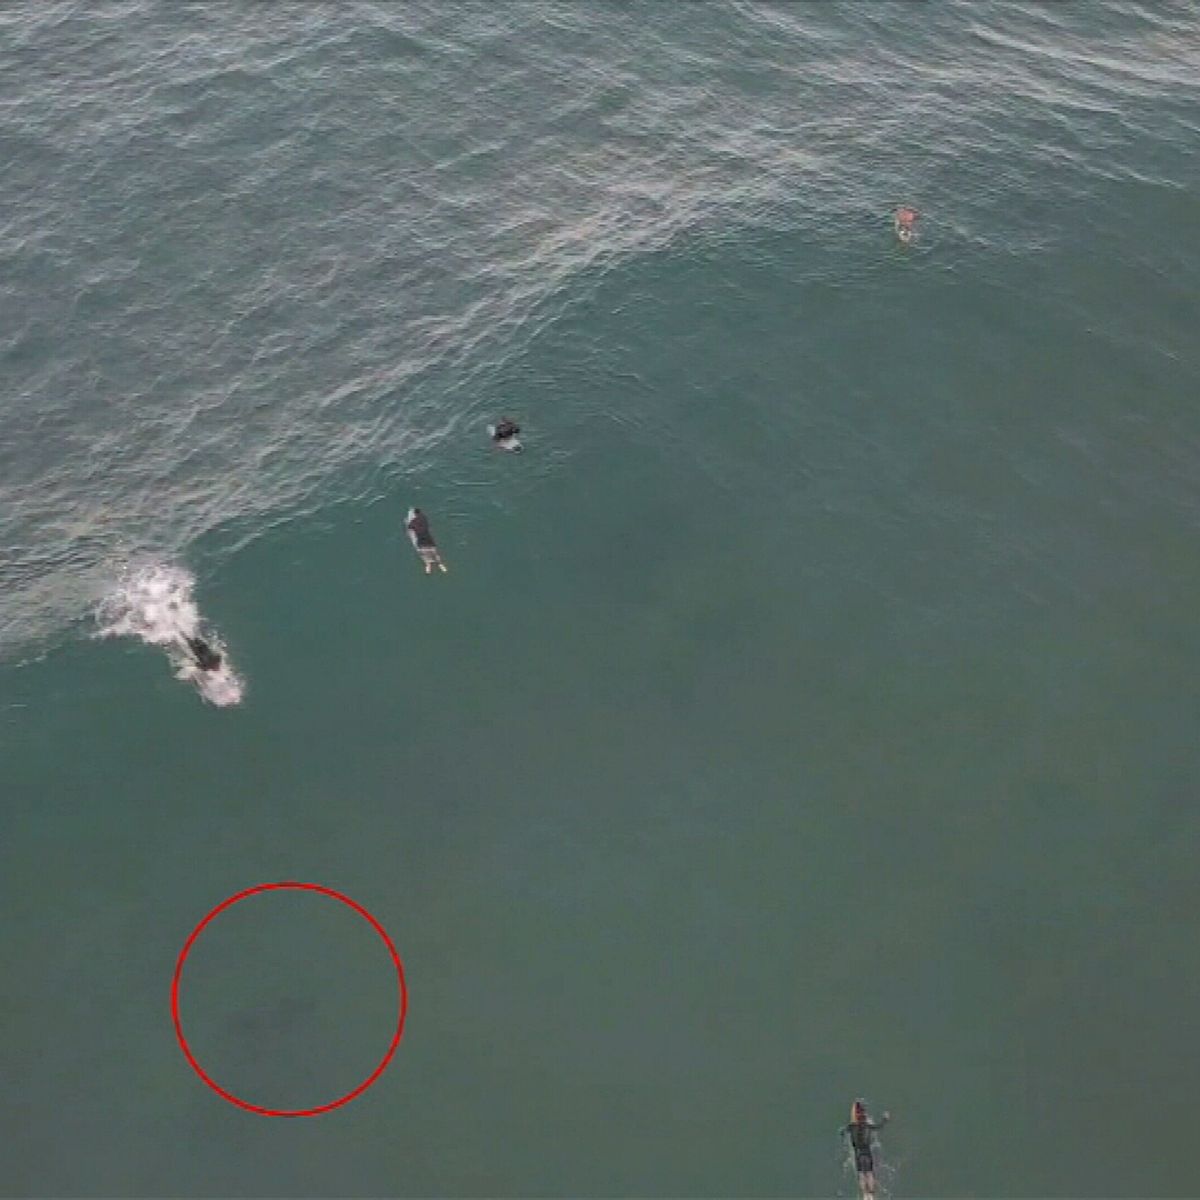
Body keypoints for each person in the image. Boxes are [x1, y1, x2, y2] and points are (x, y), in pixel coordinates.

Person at [841, 1100, 890, 1200]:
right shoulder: (867, 1125)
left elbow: (842, 1132)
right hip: (867, 1152)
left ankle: (865, 1195)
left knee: (861, 1174)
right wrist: (885, 1119)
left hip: (858, 1154)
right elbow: (878, 1127)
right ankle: (871, 1195)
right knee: (869, 1172)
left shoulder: (851, 1127)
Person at [406, 507, 448, 575]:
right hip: (429, 539)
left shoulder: (413, 522)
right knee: (435, 553)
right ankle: (440, 564)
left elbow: (409, 527)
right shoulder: (424, 518)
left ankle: (428, 566)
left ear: (415, 514)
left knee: (424, 555)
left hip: (421, 541)